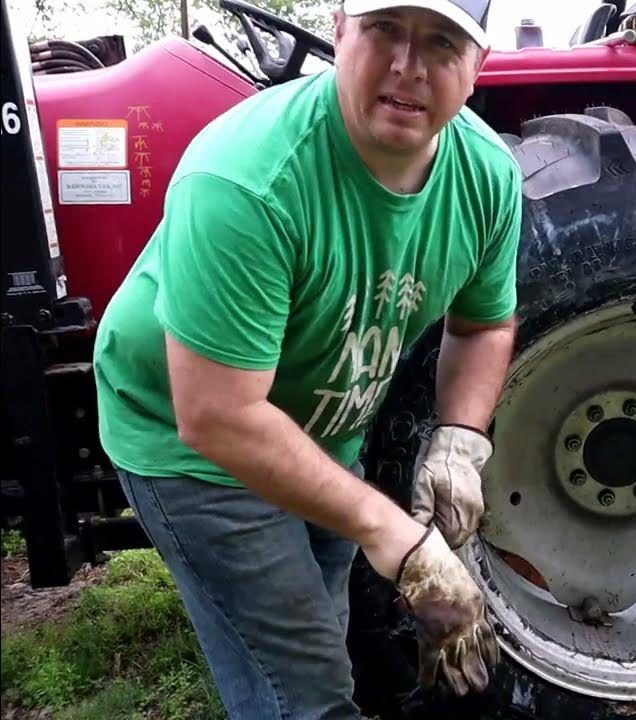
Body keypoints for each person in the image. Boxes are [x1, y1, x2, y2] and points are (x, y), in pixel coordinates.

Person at [90, 0, 519, 716]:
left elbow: (482, 326)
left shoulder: (485, 178)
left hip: (321, 430)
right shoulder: (248, 179)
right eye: (387, 30)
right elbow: (220, 418)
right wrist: (394, 533)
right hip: (189, 440)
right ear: (340, 29)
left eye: (443, 44)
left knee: (322, 640)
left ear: (479, 67)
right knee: (308, 693)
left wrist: (460, 441)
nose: (408, 67)